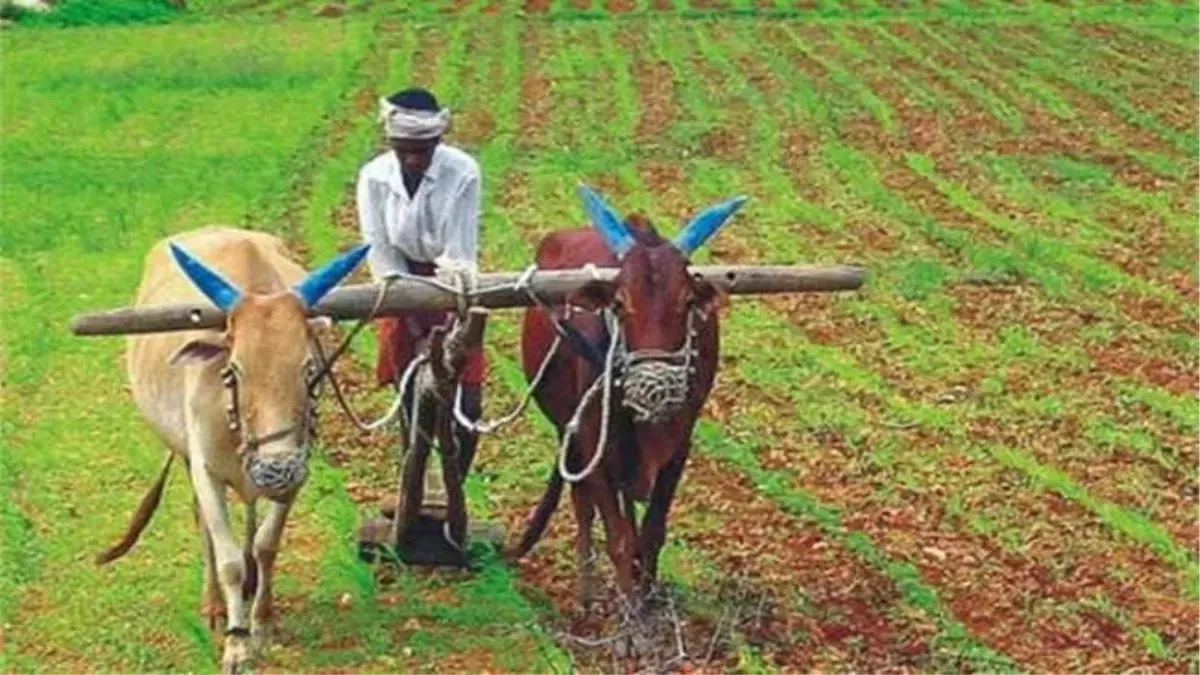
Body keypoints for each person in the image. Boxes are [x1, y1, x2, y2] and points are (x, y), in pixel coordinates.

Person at [355, 86, 485, 484]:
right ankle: (413, 478)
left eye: (423, 150)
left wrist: (450, 326)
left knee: (468, 401)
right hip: (398, 285)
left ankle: (453, 486)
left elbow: (459, 250)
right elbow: (379, 250)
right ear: (391, 142)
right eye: (404, 149)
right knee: (411, 393)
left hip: (454, 284)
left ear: (438, 141)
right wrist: (408, 314)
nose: (413, 158)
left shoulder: (462, 171)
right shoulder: (374, 177)